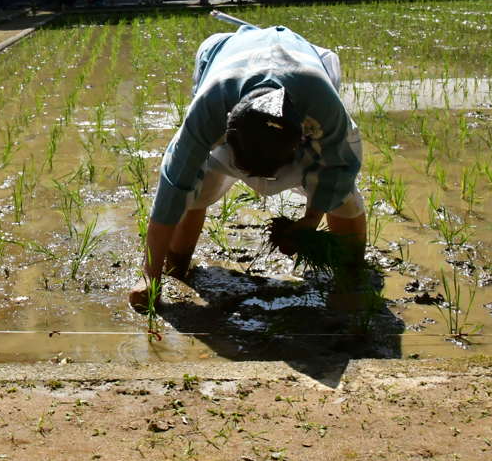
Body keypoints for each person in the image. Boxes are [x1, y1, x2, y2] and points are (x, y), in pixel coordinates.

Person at [129, 19, 365, 311]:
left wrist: (309, 222)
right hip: (232, 73)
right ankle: (175, 267)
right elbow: (173, 188)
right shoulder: (209, 108)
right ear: (227, 136)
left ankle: (352, 276)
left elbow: (337, 168)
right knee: (196, 191)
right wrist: (148, 278)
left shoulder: (321, 103)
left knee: (343, 199)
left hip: (302, 87)